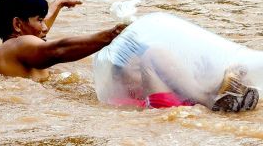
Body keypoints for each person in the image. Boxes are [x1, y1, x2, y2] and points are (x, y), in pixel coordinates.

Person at [0, 0, 127, 80]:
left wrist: (60, 3)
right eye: (40, 20)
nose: (45, 27)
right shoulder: (19, 45)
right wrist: (113, 34)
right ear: (17, 24)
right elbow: (59, 49)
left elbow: (37, 33)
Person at [111, 44, 259, 112]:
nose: (143, 73)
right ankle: (209, 98)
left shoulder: (178, 85)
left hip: (188, 106)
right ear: (124, 82)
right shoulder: (121, 102)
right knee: (152, 54)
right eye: (138, 69)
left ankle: (228, 96)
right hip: (159, 107)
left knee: (232, 75)